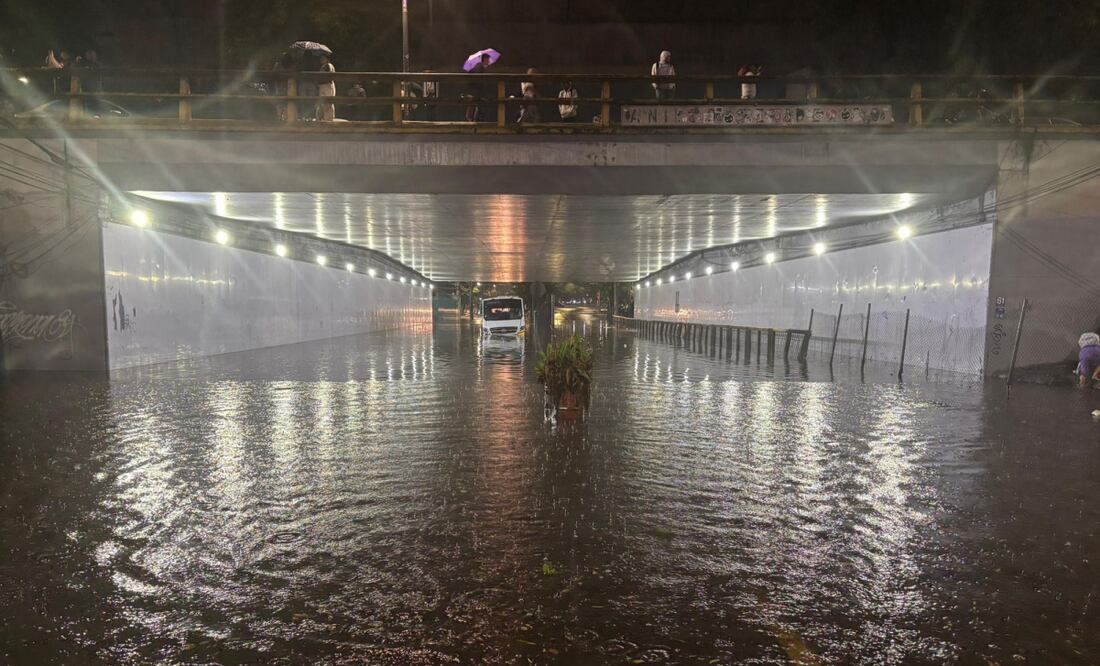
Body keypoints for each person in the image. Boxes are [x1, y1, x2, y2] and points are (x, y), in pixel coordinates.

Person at [466, 52, 492, 122]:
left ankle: (472, 119)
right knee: (477, 104)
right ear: (485, 59)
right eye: (488, 59)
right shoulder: (480, 67)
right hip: (477, 89)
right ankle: (474, 120)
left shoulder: (480, 66)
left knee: (475, 104)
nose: (489, 61)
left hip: (475, 89)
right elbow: (479, 78)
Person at [318, 54, 336, 121]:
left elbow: (329, 74)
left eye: (323, 58)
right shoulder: (322, 67)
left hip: (328, 85)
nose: (321, 60)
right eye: (321, 58)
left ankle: (330, 117)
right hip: (322, 85)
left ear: (327, 59)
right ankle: (326, 117)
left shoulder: (329, 65)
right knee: (324, 103)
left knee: (329, 102)